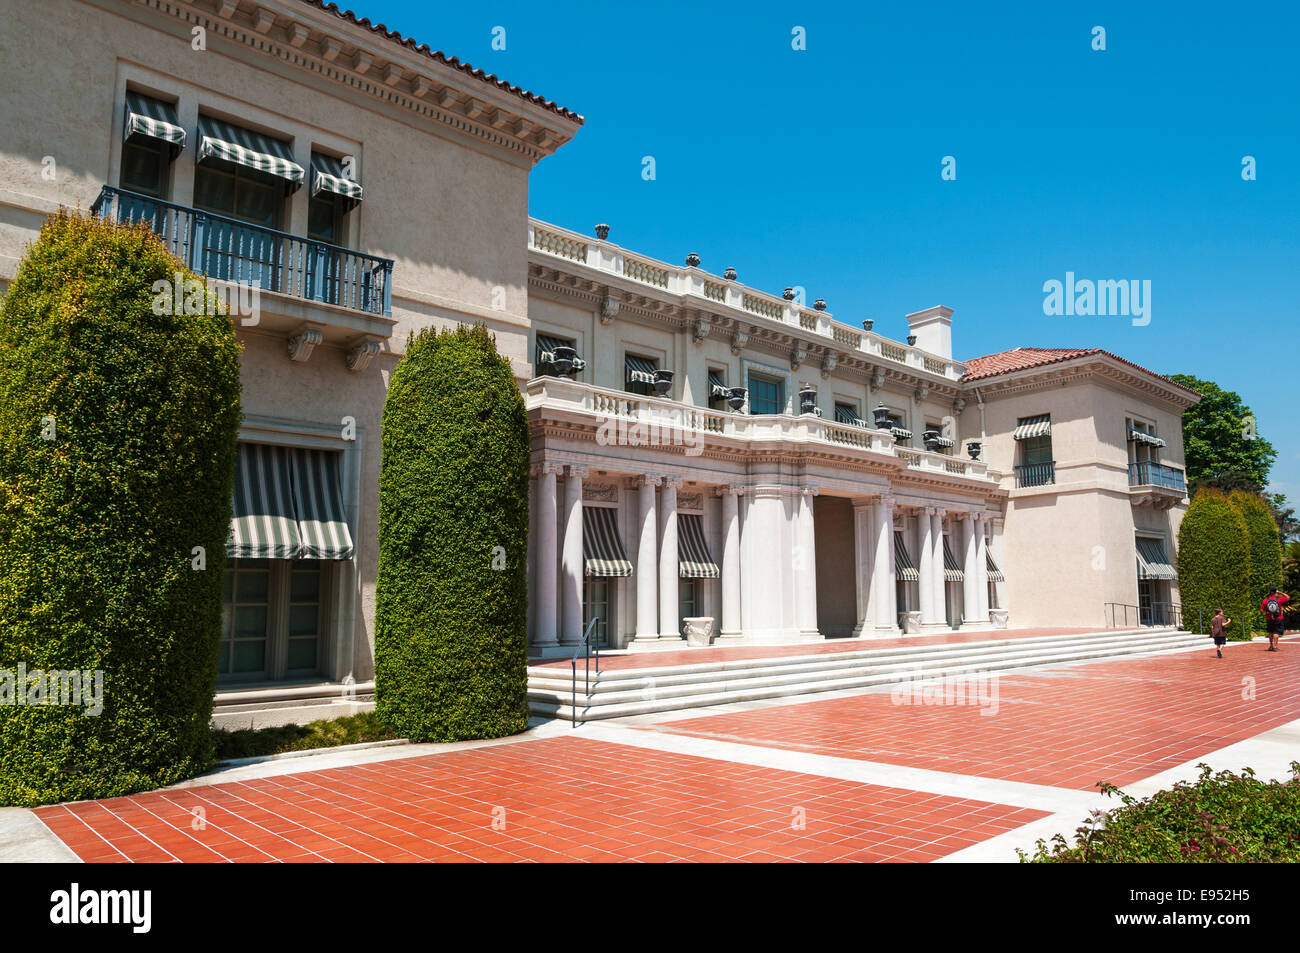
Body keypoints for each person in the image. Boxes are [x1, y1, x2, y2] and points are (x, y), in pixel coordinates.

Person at [1261, 587, 1290, 652]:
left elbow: (1262, 610)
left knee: (1271, 632)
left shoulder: (1265, 600)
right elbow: (1287, 597)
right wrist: (1280, 592)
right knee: (1276, 632)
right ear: (1275, 593)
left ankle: (1271, 646)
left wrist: (1268, 612)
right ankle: (1275, 647)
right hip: (1278, 618)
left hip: (1269, 618)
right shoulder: (1279, 600)